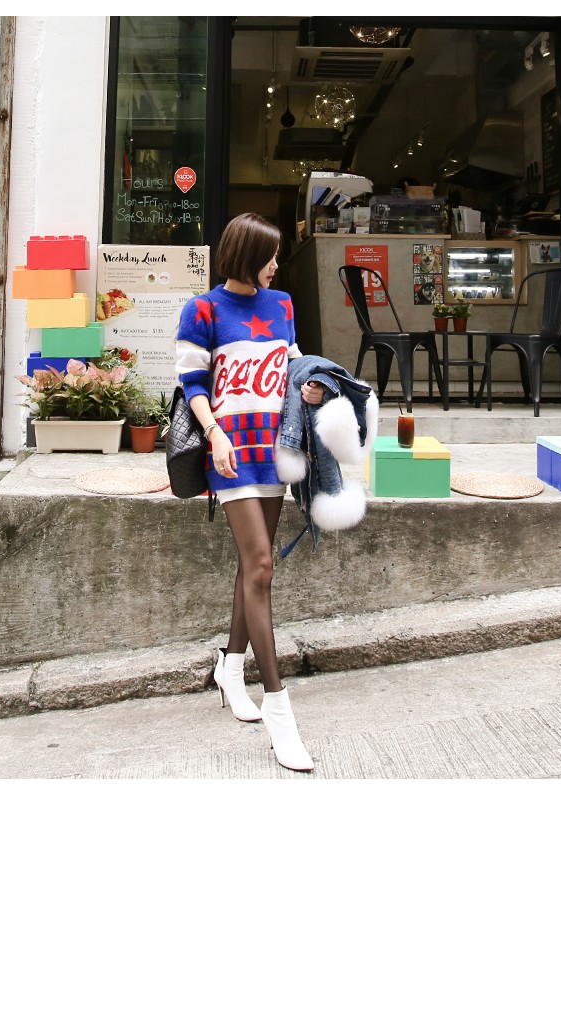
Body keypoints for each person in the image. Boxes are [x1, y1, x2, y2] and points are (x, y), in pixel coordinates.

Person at [175, 213, 324, 772]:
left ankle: (230, 668)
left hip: (273, 449)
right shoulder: (203, 310)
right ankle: (279, 709)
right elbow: (192, 382)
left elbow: (291, 367)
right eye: (270, 255)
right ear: (247, 255)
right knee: (261, 564)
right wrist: (214, 434)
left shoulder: (281, 304)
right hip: (231, 452)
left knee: (253, 568)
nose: (277, 265)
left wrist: (311, 386)